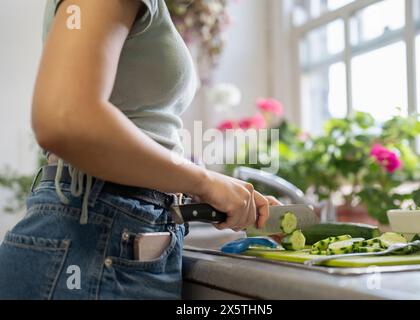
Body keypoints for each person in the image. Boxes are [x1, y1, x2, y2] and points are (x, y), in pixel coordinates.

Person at [0, 0, 279, 299]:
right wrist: (204, 181)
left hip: (108, 236)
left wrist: (211, 189)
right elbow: (64, 119)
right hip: (96, 239)